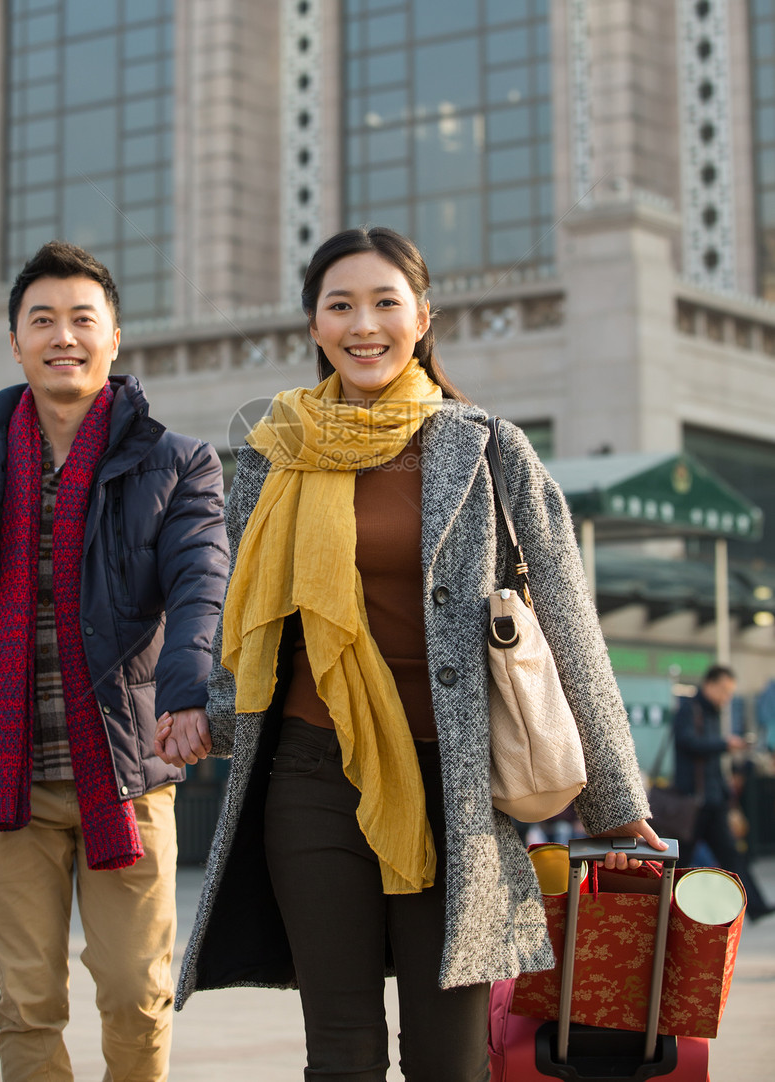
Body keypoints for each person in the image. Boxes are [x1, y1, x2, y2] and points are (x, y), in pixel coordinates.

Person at [164, 227, 663, 1082]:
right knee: (343, 1053)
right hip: (311, 780)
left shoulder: (488, 449)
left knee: (450, 1060)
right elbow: (244, 623)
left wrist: (618, 807)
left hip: (456, 790)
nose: (366, 323)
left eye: (386, 302)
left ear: (423, 317)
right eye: (341, 305)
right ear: (315, 326)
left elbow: (573, 629)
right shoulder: (271, 454)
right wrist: (202, 717)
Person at [0, 242, 229, 1081]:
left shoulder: (176, 462)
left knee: (134, 991)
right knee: (26, 1004)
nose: (64, 336)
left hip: (125, 771)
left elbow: (202, 586)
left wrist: (190, 691)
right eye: (41, 320)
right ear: (15, 344)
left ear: (115, 339)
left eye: (82, 319)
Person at [674, 664, 774, 921]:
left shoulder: (713, 713)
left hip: (714, 800)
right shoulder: (689, 709)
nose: (726, 697)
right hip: (692, 801)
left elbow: (713, 763)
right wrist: (724, 743)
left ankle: (755, 905)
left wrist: (729, 798)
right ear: (709, 684)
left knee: (732, 853)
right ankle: (664, 903)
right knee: (679, 859)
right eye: (723, 690)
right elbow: (687, 743)